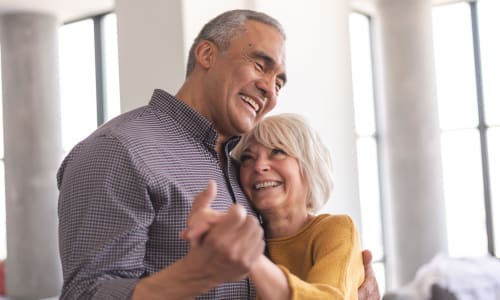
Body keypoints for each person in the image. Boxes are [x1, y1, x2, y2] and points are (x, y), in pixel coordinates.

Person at [57, 9, 380, 299]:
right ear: (207, 54)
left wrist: (347, 282)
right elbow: (88, 293)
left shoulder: (239, 164)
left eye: (279, 82)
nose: (270, 88)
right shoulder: (119, 149)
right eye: (259, 65)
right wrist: (194, 275)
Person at [185, 113, 365, 299]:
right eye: (248, 158)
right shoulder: (246, 237)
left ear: (309, 165)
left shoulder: (335, 230)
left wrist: (250, 257)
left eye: (278, 152)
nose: (259, 166)